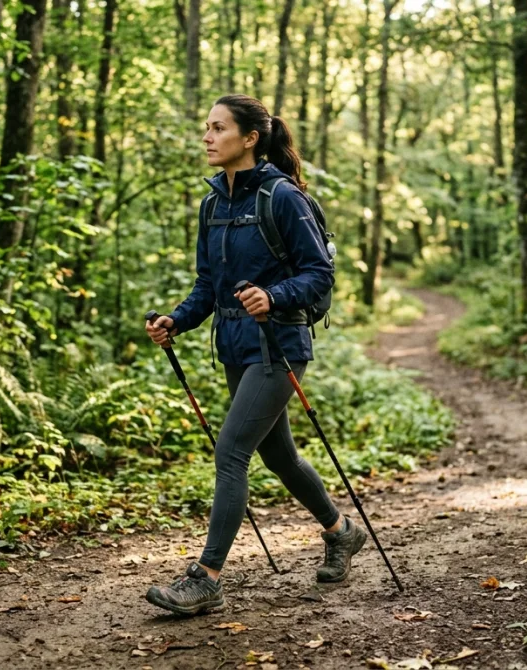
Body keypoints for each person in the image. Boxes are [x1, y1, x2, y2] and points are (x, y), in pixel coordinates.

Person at [143, 94, 367, 616]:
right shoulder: (212, 204)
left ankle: (207, 578)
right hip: (234, 345)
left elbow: (319, 273)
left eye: (218, 128)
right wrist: (176, 319)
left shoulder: (281, 196)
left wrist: (274, 296)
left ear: (249, 138)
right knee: (278, 455)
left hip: (279, 344)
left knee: (231, 452)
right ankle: (341, 530)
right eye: (206, 127)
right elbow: (208, 285)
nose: (207, 137)